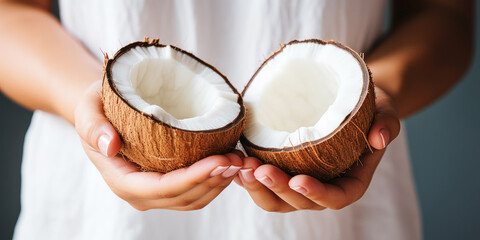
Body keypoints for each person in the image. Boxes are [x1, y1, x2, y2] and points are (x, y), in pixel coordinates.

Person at [0, 0, 473, 239]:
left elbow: (446, 14)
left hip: (343, 207)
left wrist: (376, 94)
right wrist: (88, 109)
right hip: (98, 208)